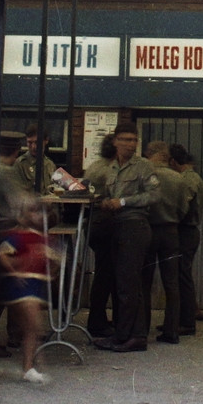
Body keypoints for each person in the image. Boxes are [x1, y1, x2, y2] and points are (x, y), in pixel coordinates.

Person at [94, 126, 162, 353]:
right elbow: (108, 196)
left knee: (129, 285)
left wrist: (122, 202)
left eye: (134, 140)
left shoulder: (144, 166)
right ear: (115, 142)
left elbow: (154, 195)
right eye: (125, 139)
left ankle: (127, 336)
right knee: (126, 284)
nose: (130, 144)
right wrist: (105, 202)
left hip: (134, 226)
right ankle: (131, 335)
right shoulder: (112, 168)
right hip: (117, 226)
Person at [0, 198, 59, 383]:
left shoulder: (45, 239)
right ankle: (34, 365)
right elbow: (2, 253)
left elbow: (53, 263)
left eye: (44, 212)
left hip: (35, 287)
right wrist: (14, 271)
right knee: (34, 326)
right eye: (35, 211)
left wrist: (52, 270)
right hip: (23, 288)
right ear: (24, 215)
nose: (40, 216)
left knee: (31, 330)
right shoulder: (21, 236)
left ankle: (28, 367)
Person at [142, 142, 185, 345]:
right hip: (171, 231)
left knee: (144, 282)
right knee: (172, 283)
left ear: (150, 154)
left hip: (149, 230)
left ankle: (141, 328)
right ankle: (171, 330)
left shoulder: (145, 175)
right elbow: (184, 208)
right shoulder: (179, 178)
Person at [83, 133, 120, 338]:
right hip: (107, 222)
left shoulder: (94, 166)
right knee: (107, 275)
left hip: (93, 223)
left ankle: (99, 319)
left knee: (104, 272)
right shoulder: (112, 170)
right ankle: (98, 322)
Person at [169, 144, 203, 336]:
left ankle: (187, 321)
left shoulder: (187, 179)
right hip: (189, 230)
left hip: (186, 230)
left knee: (183, 275)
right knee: (182, 274)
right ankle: (181, 319)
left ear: (173, 162)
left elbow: (183, 205)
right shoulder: (193, 177)